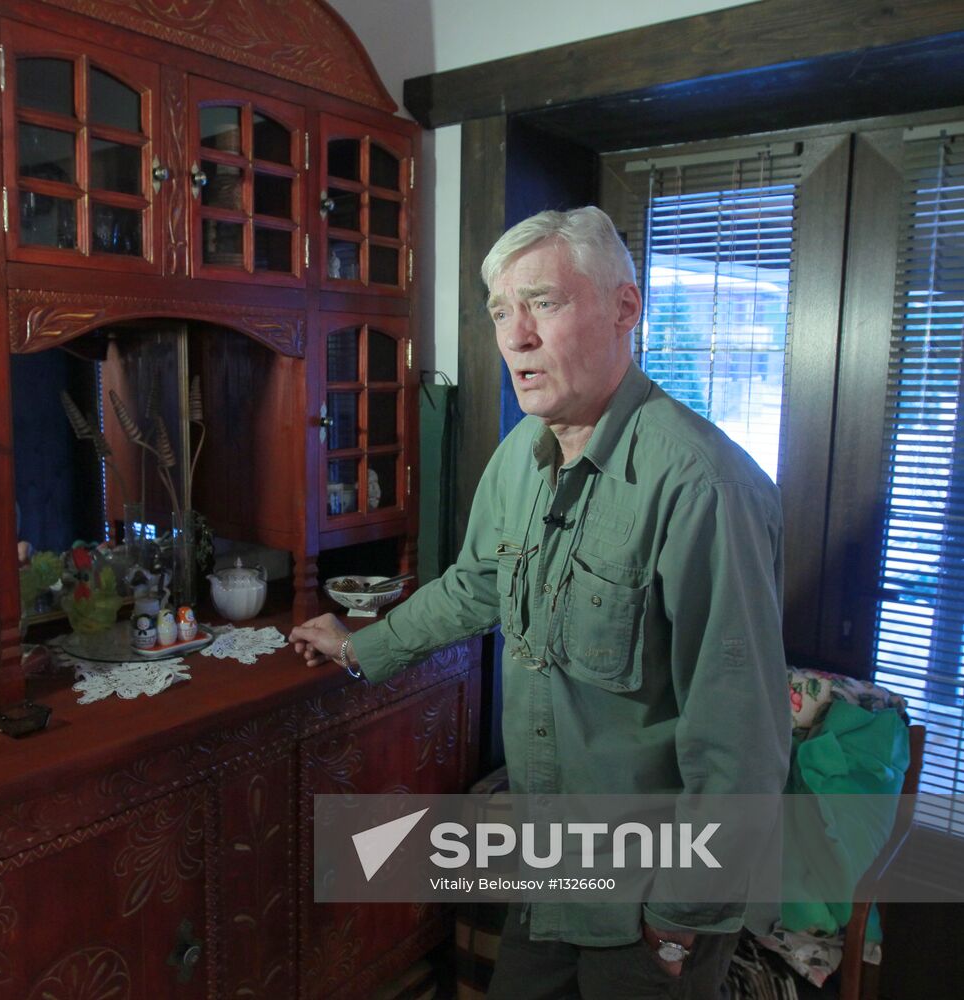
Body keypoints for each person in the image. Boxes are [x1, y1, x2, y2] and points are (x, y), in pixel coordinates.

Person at [290, 206, 790, 998]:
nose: (515, 338)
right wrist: (360, 644)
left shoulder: (703, 485)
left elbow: (739, 735)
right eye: (499, 312)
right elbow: (474, 585)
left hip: (649, 898)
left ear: (625, 309)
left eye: (543, 304)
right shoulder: (517, 459)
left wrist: (682, 914)